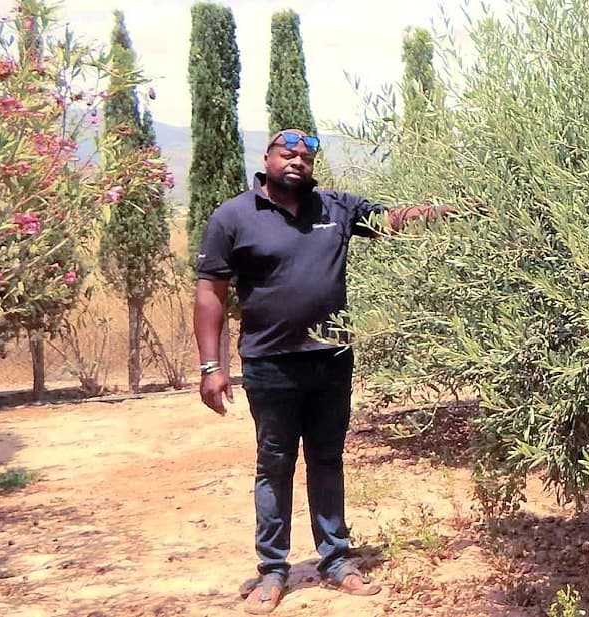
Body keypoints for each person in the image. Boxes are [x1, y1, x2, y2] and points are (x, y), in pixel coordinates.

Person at [192, 129, 449, 614]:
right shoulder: (233, 216)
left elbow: (394, 220)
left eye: (306, 156)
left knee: (327, 459)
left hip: (331, 360)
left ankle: (336, 559)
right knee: (274, 464)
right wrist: (212, 366)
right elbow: (211, 291)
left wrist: (456, 208)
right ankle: (272, 570)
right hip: (269, 364)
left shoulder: (335, 208)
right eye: (287, 153)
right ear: (266, 159)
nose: (298, 161)